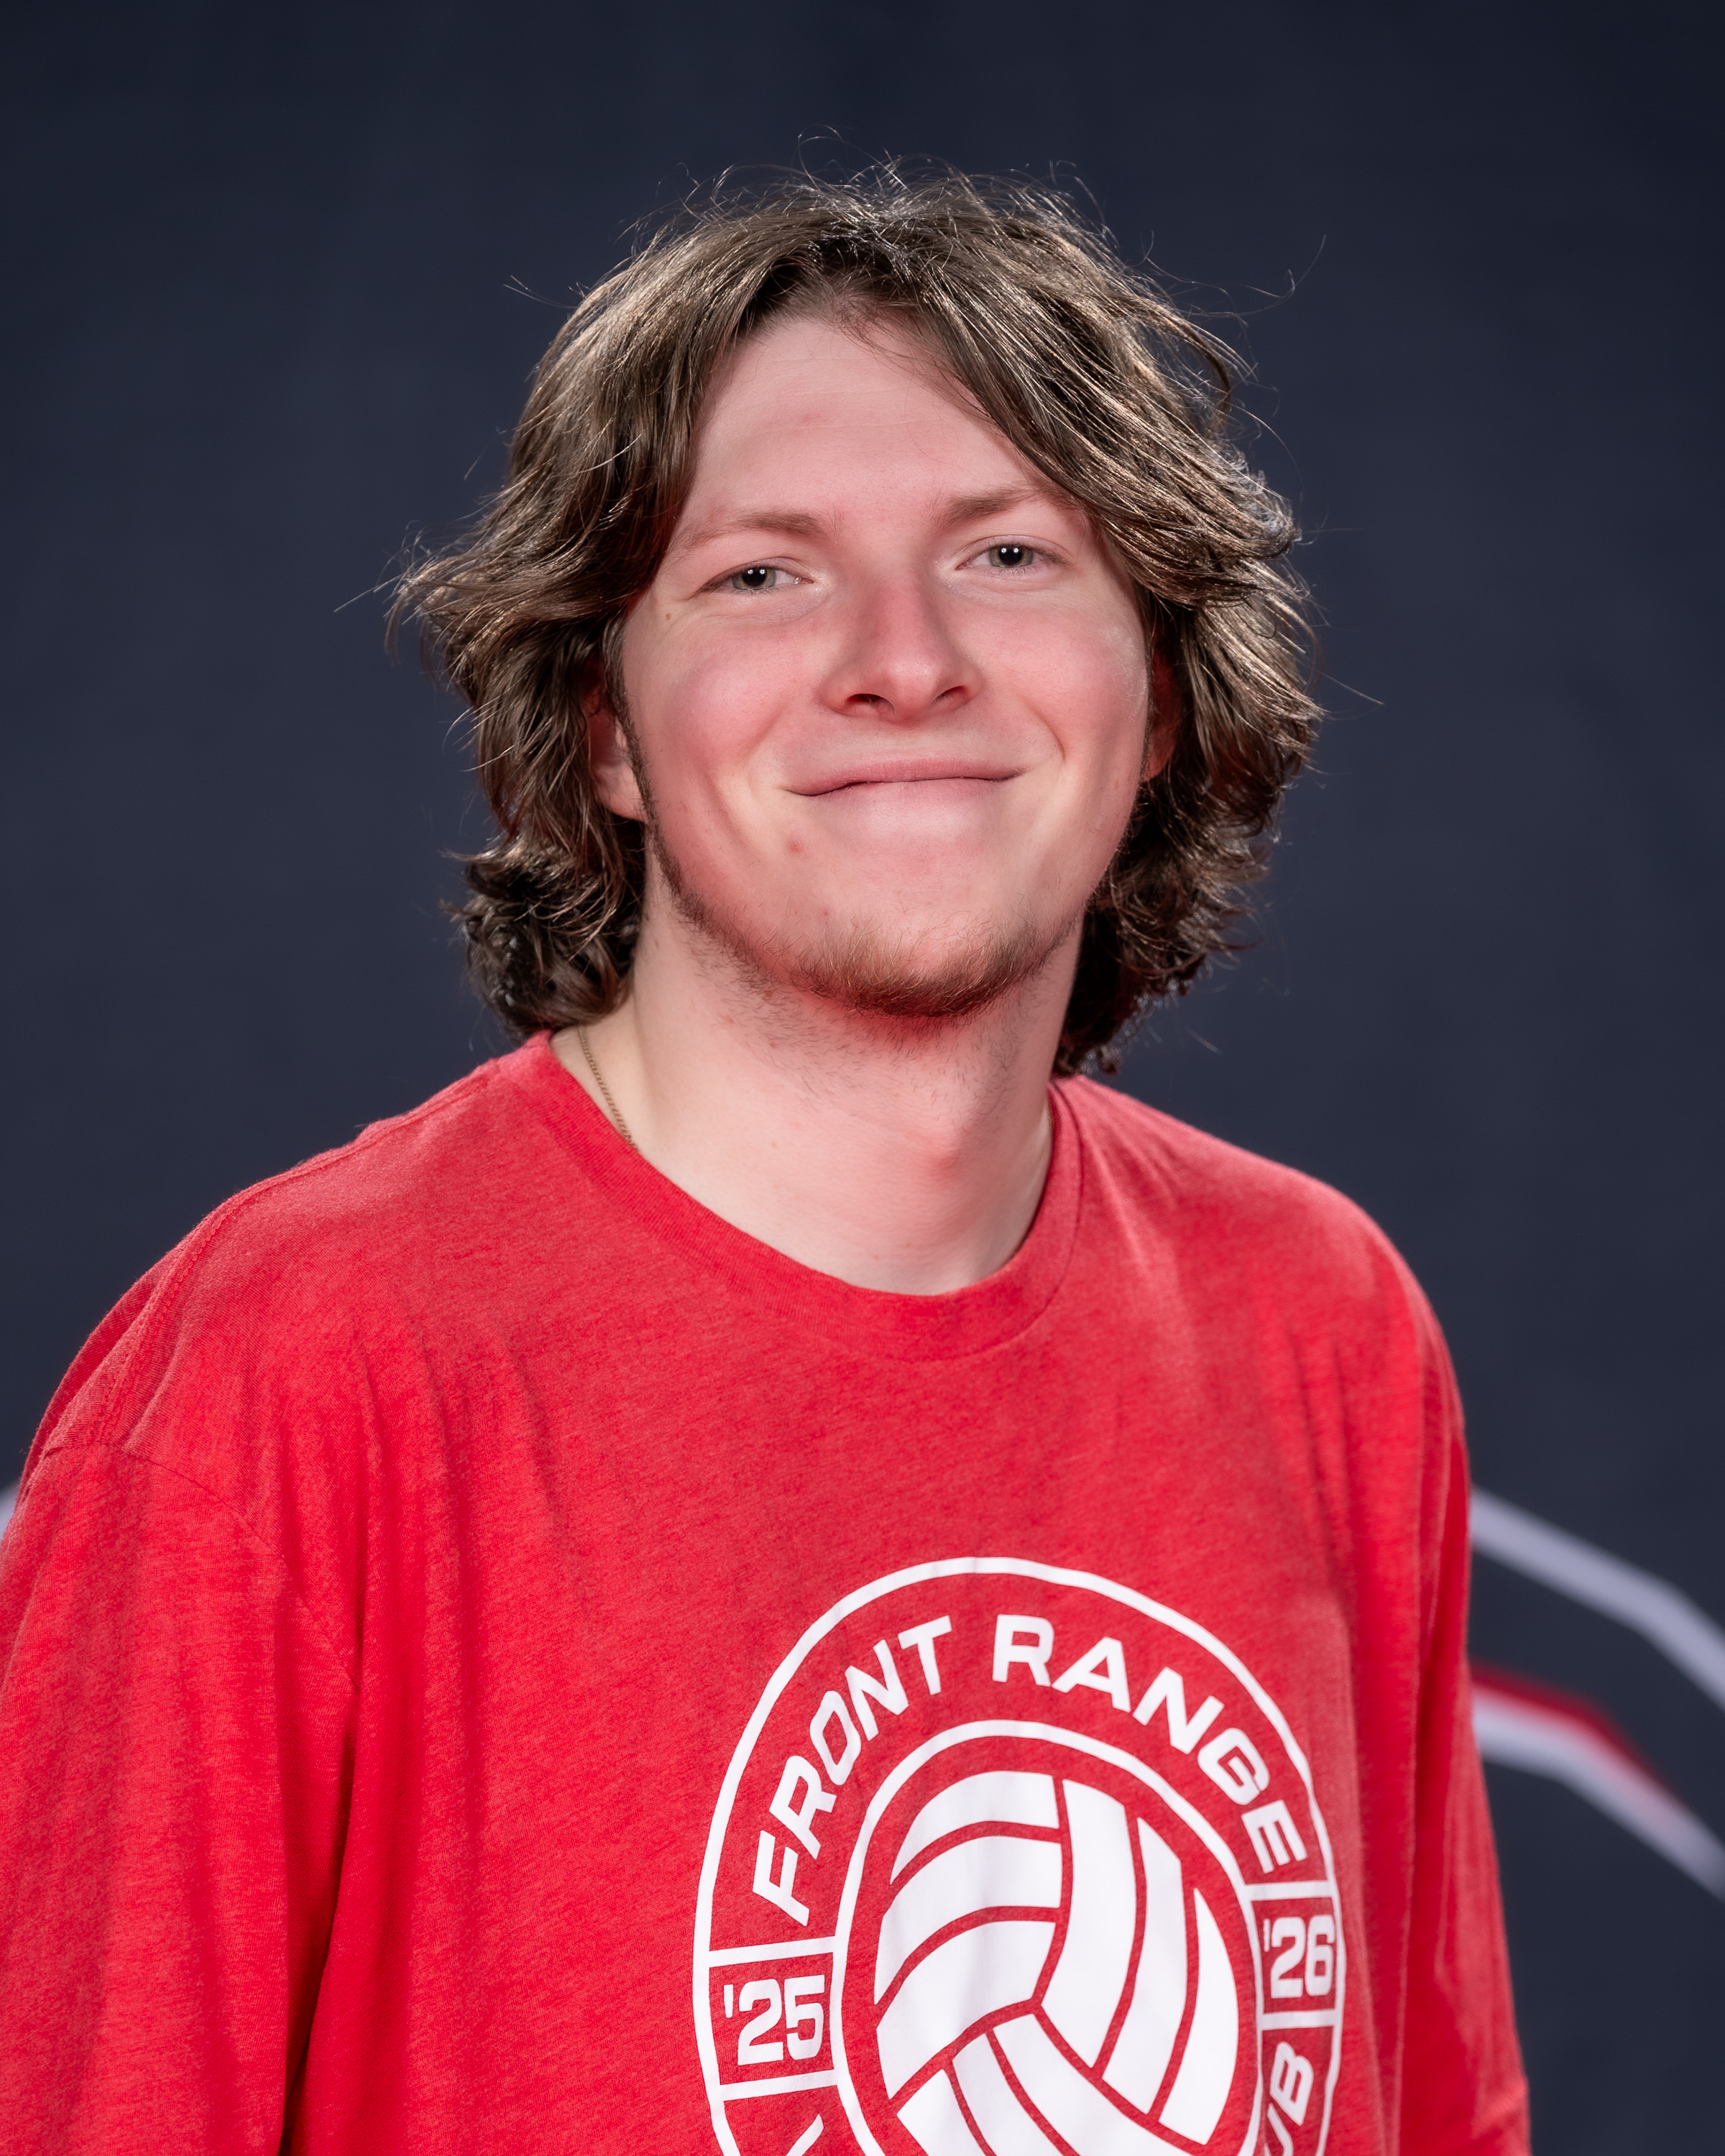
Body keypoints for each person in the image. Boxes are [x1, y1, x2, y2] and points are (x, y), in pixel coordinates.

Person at [0, 172, 1528, 2155]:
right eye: (762, 575)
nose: (906, 658)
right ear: (605, 730)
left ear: (1158, 693)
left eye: (1007, 553)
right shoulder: (291, 1375)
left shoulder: (1325, 1325)